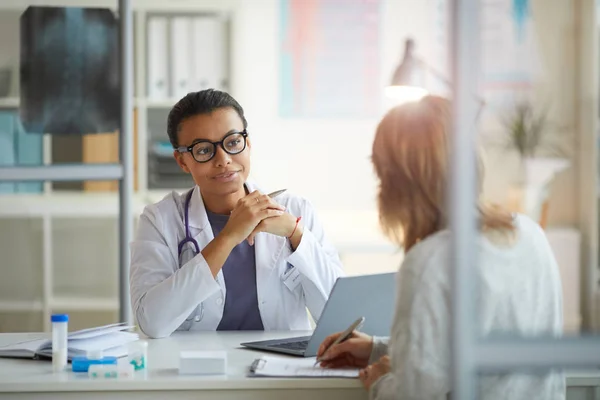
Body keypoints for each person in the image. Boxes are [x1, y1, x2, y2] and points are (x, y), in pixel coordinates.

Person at [316, 96, 564, 399]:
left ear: (396, 181)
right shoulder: (530, 234)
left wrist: (381, 381)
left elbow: (415, 394)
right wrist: (377, 348)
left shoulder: (431, 262)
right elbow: (472, 347)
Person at [130, 89, 344, 338]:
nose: (223, 159)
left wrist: (296, 234)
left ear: (248, 143)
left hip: (282, 371)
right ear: (182, 161)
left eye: (232, 143)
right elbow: (152, 323)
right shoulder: (160, 220)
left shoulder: (296, 211)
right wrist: (228, 237)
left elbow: (339, 318)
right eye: (203, 150)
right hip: (197, 372)